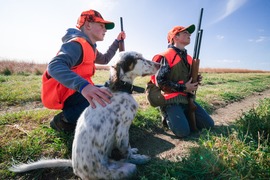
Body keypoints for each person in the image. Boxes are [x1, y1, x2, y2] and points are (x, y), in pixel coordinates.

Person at [41, 9, 126, 132]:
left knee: (111, 93)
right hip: (65, 94)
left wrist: (117, 42)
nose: (105, 29)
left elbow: (105, 59)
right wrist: (84, 86)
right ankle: (64, 119)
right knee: (105, 100)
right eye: (101, 25)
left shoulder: (90, 47)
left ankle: (80, 116)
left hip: (75, 91)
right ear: (88, 25)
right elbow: (54, 66)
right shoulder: (76, 44)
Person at [146, 25, 214, 138]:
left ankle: (182, 116)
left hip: (187, 100)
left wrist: (195, 80)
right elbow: (161, 82)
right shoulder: (167, 56)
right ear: (175, 37)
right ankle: (166, 115)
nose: (189, 35)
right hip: (170, 102)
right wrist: (183, 87)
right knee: (183, 132)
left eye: (189, 33)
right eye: (185, 33)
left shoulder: (188, 58)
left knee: (209, 125)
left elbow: (187, 79)